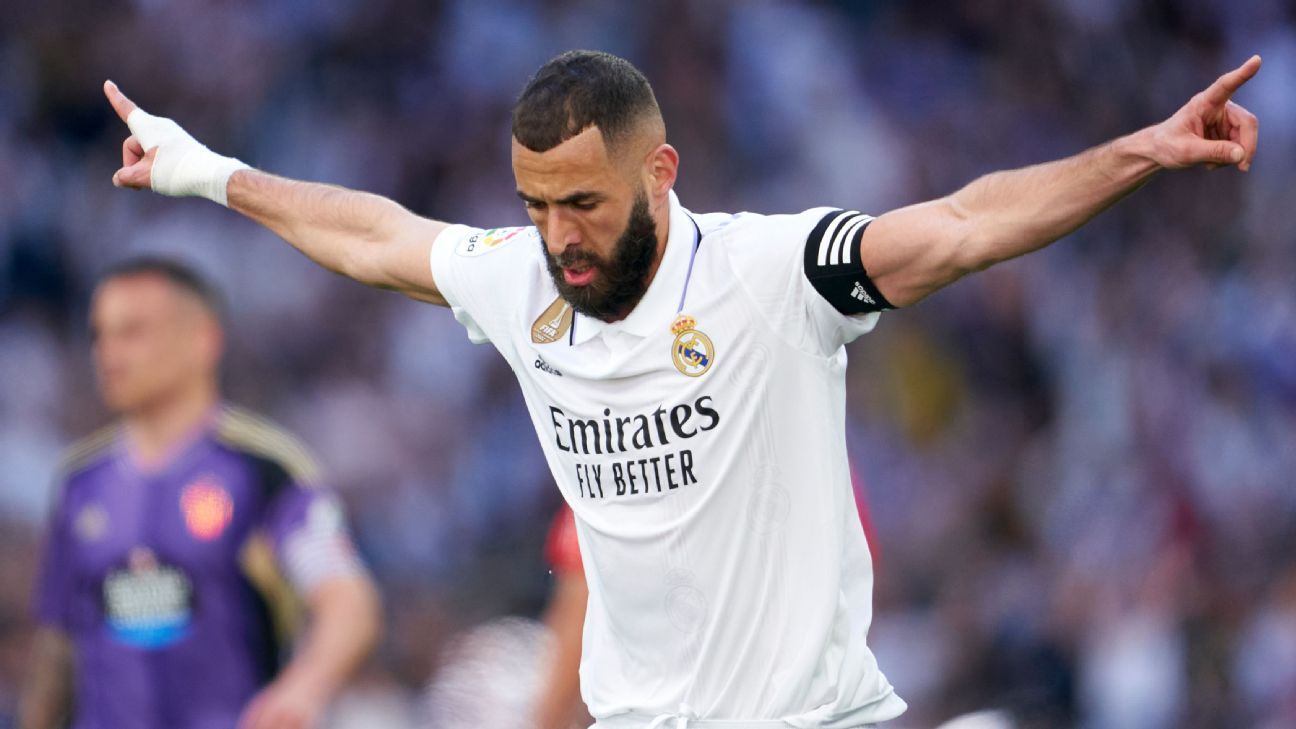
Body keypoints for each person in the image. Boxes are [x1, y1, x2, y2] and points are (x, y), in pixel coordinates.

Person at [100, 49, 1260, 727]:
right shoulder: (522, 287)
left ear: (659, 170)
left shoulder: (774, 275)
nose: (558, 235)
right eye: (535, 204)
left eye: (584, 205)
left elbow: (963, 226)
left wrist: (1141, 153)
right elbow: (375, 235)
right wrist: (205, 172)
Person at [19, 258, 382, 729]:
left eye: (133, 332)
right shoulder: (80, 481)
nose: (108, 352)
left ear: (202, 340)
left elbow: (348, 602)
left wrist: (302, 689)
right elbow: (58, 646)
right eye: (99, 334)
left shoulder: (263, 471)